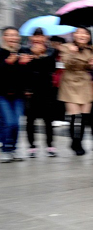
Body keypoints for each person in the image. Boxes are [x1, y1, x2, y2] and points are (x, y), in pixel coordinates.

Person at [58, 26, 93, 156]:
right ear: (74, 35)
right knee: (75, 116)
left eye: (85, 33)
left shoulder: (90, 50)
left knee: (85, 117)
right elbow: (66, 64)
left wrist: (92, 64)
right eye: (79, 33)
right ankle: (76, 142)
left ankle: (77, 140)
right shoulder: (66, 47)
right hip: (70, 83)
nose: (82, 35)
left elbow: (89, 68)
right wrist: (72, 53)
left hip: (85, 83)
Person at [24, 28, 57, 158]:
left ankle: (50, 145)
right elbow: (25, 70)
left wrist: (40, 56)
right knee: (30, 120)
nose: (38, 39)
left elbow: (51, 68)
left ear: (45, 38)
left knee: (48, 120)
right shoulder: (25, 51)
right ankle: (31, 146)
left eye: (41, 36)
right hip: (31, 92)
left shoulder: (51, 52)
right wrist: (33, 55)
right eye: (35, 36)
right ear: (31, 38)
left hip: (46, 90)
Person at [0, 26, 32, 162]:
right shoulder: (0, 53)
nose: (13, 38)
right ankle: (6, 149)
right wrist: (7, 63)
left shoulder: (22, 52)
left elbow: (25, 76)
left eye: (15, 35)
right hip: (2, 94)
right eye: (10, 35)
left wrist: (24, 64)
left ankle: (13, 149)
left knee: (17, 123)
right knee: (9, 122)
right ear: (4, 37)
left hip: (18, 95)